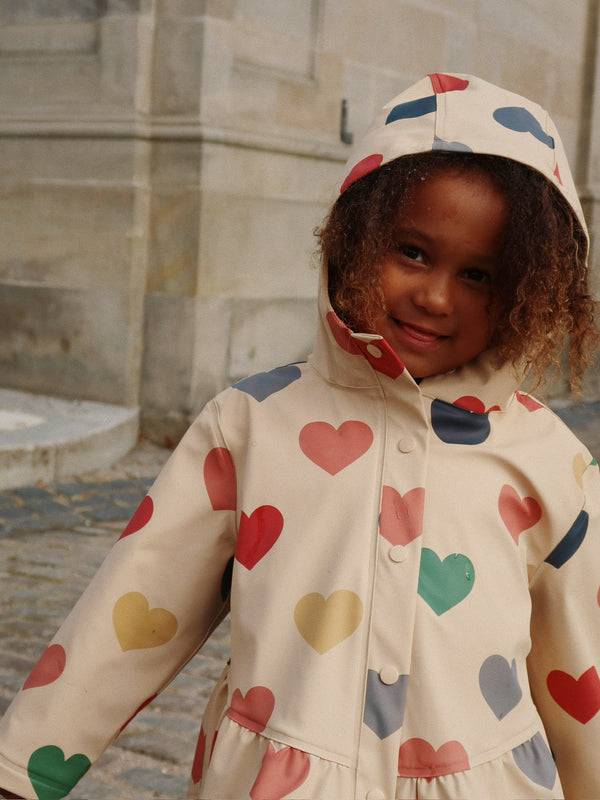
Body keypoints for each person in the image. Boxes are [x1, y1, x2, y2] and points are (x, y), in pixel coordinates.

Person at [0, 72, 599, 800]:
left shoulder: (552, 463)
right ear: (354, 236)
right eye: (412, 251)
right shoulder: (252, 425)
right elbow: (135, 608)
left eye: (478, 274)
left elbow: (580, 671)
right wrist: (22, 766)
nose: (437, 296)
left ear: (527, 289)